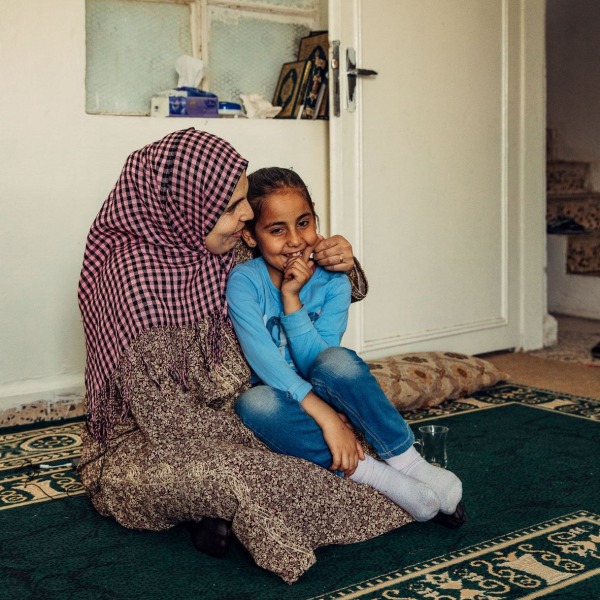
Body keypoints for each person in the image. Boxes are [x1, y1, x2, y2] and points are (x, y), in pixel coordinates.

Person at [77, 128, 417, 585]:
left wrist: (343, 259)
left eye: (243, 203)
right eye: (230, 206)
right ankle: (218, 509)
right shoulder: (129, 280)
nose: (245, 216)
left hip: (248, 406)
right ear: (186, 208)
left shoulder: (230, 247)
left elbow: (306, 266)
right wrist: (270, 428)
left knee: (336, 440)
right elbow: (167, 421)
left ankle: (214, 517)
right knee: (256, 471)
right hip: (157, 439)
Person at [227, 167, 466, 525]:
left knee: (337, 361)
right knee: (253, 403)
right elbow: (263, 362)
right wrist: (326, 420)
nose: (294, 240)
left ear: (317, 221)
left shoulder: (335, 280)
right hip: (283, 396)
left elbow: (317, 360)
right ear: (250, 236)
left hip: (325, 387)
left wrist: (292, 300)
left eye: (304, 223)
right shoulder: (245, 282)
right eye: (277, 230)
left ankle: (408, 461)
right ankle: (377, 476)